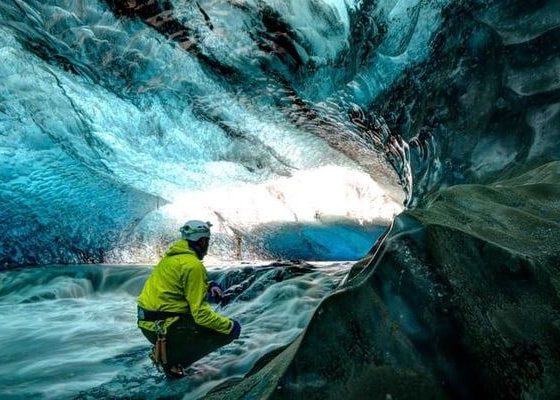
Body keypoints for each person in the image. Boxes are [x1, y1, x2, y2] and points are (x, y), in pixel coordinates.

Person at [137, 220, 241, 378]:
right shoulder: (193, 265)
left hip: (147, 325)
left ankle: (167, 351)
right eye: (207, 242)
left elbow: (178, 283)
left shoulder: (170, 259)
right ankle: (172, 360)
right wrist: (231, 327)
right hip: (167, 329)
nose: (207, 247)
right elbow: (201, 314)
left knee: (192, 317)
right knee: (225, 331)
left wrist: (209, 284)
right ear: (202, 241)